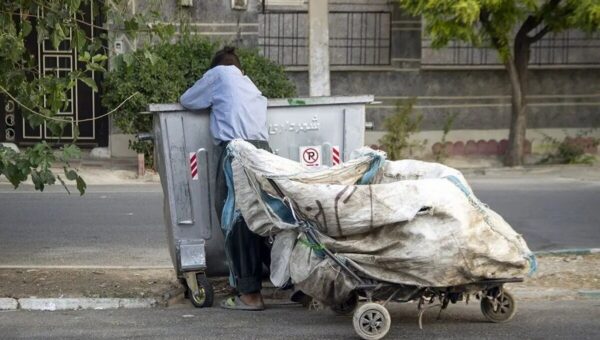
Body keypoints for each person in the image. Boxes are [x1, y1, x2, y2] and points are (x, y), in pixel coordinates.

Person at [180, 46, 271, 311]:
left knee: (236, 219)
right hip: (263, 153)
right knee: (265, 219)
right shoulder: (249, 83)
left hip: (237, 152)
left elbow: (188, 99)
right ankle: (295, 284)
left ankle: (250, 294)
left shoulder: (219, 74)